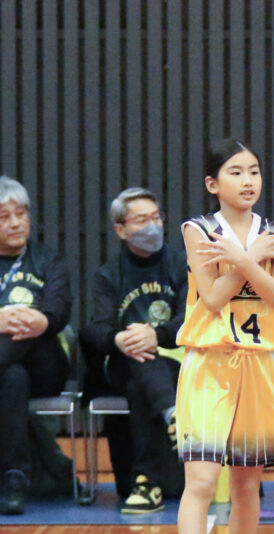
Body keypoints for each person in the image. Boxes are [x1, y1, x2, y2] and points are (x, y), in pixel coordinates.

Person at [175, 139, 274, 534]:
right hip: (208, 362)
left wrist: (244, 259)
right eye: (235, 172)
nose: (248, 181)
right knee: (202, 479)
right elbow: (210, 298)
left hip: (259, 364)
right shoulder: (198, 230)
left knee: (248, 484)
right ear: (212, 183)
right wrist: (252, 256)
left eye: (254, 171)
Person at [80, 187, 188, 513]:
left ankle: (145, 483)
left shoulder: (182, 265)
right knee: (139, 356)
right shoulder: (108, 275)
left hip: (174, 363)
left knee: (140, 383)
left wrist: (155, 334)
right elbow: (95, 329)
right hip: (122, 362)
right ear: (121, 229)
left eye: (156, 217)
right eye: (141, 220)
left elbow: (191, 320)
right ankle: (174, 417)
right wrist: (120, 339)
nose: (152, 226)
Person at [0, 176, 72, 515]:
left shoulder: (47, 259)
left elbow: (58, 308)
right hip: (9, 369)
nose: (15, 223)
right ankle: (15, 480)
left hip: (46, 363)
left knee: (20, 332)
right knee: (12, 377)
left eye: (21, 213)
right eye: (4, 216)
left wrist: (39, 320)